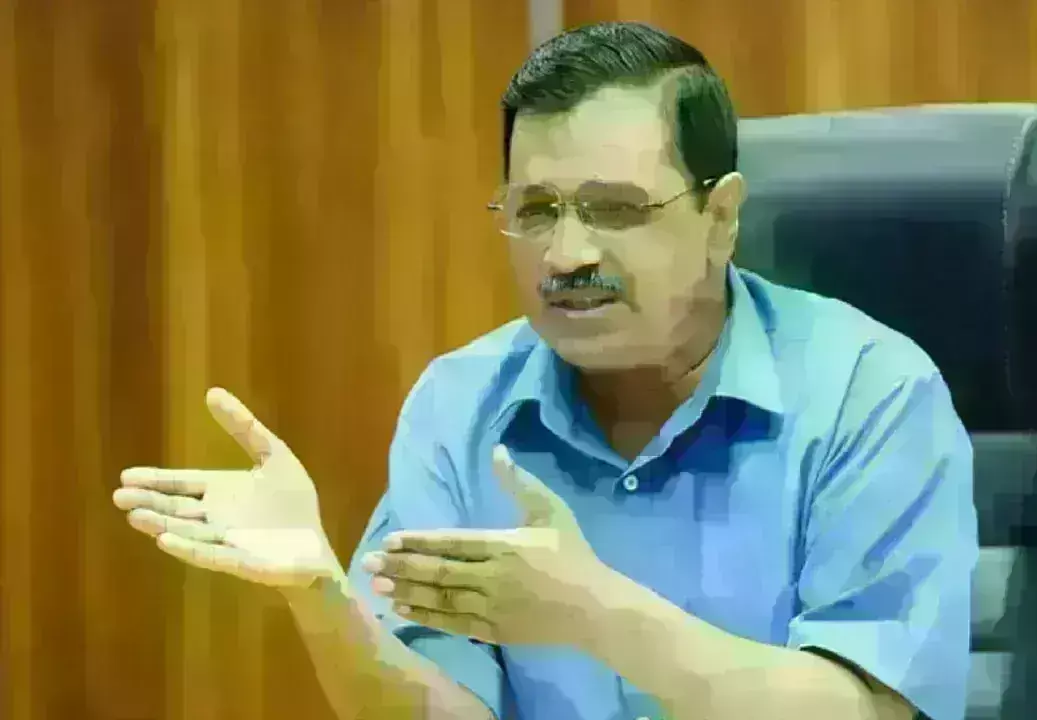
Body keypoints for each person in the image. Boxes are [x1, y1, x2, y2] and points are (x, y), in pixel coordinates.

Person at [113, 21, 977, 720]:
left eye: (614, 209)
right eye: (535, 211)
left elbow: (865, 711)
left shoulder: (868, 391)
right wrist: (321, 597)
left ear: (720, 217)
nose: (566, 255)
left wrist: (597, 615)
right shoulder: (461, 407)